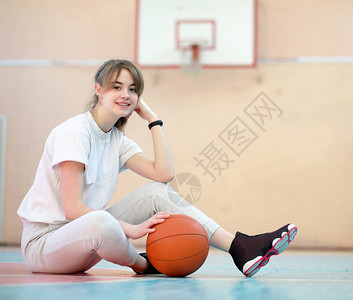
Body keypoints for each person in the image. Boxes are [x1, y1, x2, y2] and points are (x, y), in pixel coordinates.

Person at [17, 59, 297, 277]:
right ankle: (144, 264)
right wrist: (130, 229)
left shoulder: (116, 139)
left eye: (133, 89)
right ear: (98, 90)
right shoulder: (75, 133)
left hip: (87, 239)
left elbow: (164, 174)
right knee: (100, 220)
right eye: (117, 86)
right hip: (46, 244)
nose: (126, 94)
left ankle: (239, 248)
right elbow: (73, 209)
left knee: (155, 191)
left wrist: (152, 119)